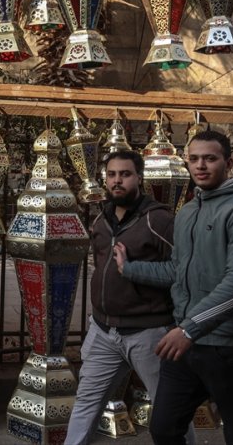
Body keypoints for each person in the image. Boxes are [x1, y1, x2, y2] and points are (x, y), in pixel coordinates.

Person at [113, 129, 233, 445]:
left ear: (228, 162)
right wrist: (129, 269)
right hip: (186, 346)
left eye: (210, 159)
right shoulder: (187, 212)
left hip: (230, 348)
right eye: (195, 159)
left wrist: (189, 329)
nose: (201, 166)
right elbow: (177, 270)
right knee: (164, 429)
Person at [64, 150, 194, 445]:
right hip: (103, 331)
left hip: (149, 334)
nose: (117, 181)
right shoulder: (101, 219)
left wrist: (132, 270)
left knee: (170, 412)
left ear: (139, 177)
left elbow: (181, 272)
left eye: (125, 174)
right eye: (112, 175)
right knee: (85, 404)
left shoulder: (159, 220)